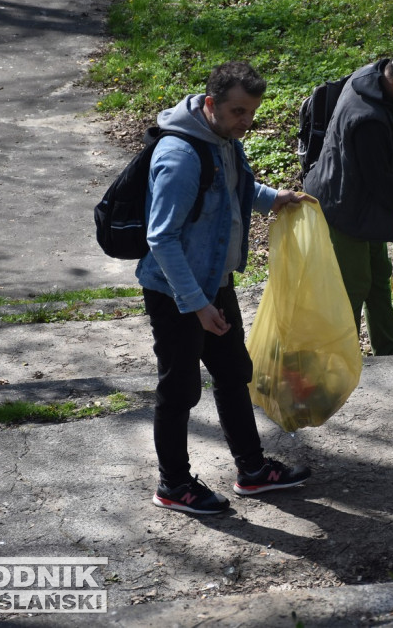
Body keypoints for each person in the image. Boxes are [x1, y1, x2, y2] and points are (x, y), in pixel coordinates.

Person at [137, 60, 312, 515]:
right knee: (179, 391)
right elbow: (161, 238)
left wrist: (276, 199)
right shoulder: (179, 155)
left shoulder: (223, 140)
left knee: (234, 373)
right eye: (238, 112)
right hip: (175, 290)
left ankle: (252, 470)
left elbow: (239, 186)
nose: (246, 122)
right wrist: (196, 305)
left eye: (251, 112)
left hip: (214, 282)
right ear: (211, 103)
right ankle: (173, 484)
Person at [303, 45, 393, 356]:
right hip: (342, 204)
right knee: (354, 284)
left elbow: (369, 156)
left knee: (378, 276)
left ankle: (388, 350)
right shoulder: (368, 119)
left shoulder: (374, 77)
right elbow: (380, 184)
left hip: (360, 198)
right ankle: (339, 358)